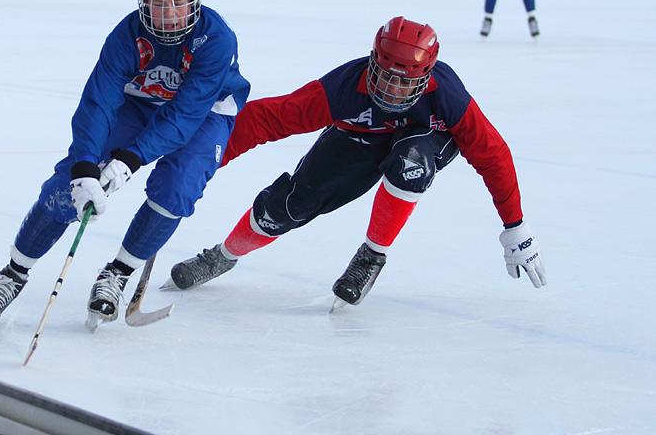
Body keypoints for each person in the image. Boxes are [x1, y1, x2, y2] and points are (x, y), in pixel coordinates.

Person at [168, 17, 546, 312]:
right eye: (386, 77)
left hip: (423, 142)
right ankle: (223, 255)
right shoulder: (342, 89)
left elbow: (492, 153)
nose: (393, 90)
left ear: (426, 78)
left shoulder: (446, 94)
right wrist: (201, 160)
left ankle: (371, 255)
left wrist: (515, 226)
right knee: (287, 207)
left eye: (405, 82)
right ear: (372, 62)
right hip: (360, 139)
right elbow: (267, 118)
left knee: (411, 162)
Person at [0, 0, 250, 330]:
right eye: (157, 2)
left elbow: (184, 115)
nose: (168, 14)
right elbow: (99, 102)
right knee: (67, 184)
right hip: (140, 103)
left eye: (178, 2)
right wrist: (86, 164)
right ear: (142, 0)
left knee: (178, 187)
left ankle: (117, 273)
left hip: (204, 114)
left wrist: (130, 159)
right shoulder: (126, 35)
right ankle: (13, 274)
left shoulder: (216, 39)